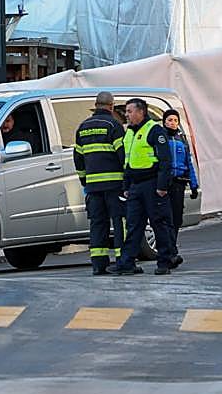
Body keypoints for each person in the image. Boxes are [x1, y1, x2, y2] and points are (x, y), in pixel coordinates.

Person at [113, 98, 177, 276]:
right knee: (133, 225)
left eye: (129, 111)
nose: (126, 115)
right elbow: (128, 161)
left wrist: (162, 186)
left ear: (141, 112)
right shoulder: (130, 133)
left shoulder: (155, 131)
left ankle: (164, 262)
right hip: (135, 186)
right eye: (126, 112)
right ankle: (127, 263)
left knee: (159, 223)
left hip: (152, 184)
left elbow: (165, 160)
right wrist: (126, 185)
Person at [72, 92, 126, 276]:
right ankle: (123, 260)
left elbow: (78, 158)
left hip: (93, 187)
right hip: (114, 184)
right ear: (111, 106)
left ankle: (98, 264)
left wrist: (84, 181)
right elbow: (122, 155)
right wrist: (127, 180)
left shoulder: (82, 127)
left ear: (95, 105)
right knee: (120, 222)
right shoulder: (114, 126)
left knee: (97, 224)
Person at [162, 109, 199, 263]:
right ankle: (170, 250)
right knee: (166, 218)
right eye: (170, 120)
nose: (173, 123)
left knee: (177, 218)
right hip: (165, 182)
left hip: (179, 182)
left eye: (175, 120)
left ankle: (172, 246)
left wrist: (194, 184)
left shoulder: (181, 139)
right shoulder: (161, 138)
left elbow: (188, 162)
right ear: (164, 122)